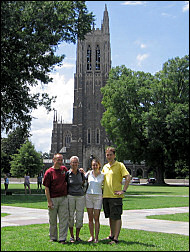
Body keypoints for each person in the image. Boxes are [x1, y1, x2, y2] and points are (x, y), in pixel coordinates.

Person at [102, 147, 131, 244]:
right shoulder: (105, 167)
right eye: (107, 155)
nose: (109, 156)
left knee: (117, 217)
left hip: (115, 196)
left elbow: (128, 177)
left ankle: (116, 238)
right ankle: (111, 235)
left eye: (110, 154)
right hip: (106, 196)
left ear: (114, 155)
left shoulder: (120, 165)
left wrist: (123, 190)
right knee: (111, 216)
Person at [43, 153, 69, 244]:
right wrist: (49, 201)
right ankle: (53, 237)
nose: (60, 162)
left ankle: (62, 238)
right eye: (58, 160)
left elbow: (71, 175)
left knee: (63, 219)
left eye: (61, 160)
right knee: (52, 219)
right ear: (53, 160)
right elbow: (46, 188)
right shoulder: (49, 172)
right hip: (53, 199)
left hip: (63, 198)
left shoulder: (64, 170)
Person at [83, 158, 104, 243]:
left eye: (96, 165)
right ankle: (91, 236)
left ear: (99, 165)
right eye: (93, 165)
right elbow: (82, 180)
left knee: (96, 218)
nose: (94, 166)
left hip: (98, 197)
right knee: (90, 218)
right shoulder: (88, 174)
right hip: (89, 196)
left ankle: (96, 237)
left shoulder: (103, 175)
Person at [65, 156, 85, 243]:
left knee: (80, 216)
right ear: (70, 164)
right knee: (70, 216)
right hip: (70, 196)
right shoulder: (67, 174)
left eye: (76, 162)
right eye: (73, 162)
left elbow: (84, 182)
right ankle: (72, 236)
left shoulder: (81, 174)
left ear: (78, 163)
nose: (74, 164)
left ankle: (77, 236)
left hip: (80, 196)